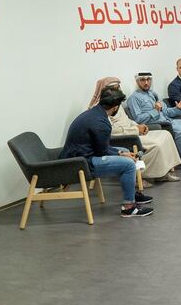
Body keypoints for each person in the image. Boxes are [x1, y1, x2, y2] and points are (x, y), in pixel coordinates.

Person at [60, 87, 154, 217]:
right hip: (82, 163)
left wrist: (121, 153)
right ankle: (129, 207)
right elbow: (102, 152)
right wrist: (121, 155)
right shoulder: (102, 123)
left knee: (125, 150)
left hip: (79, 156)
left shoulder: (93, 113)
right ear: (115, 107)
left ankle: (131, 194)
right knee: (128, 165)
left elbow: (99, 147)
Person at [88, 77, 181, 184]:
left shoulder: (115, 102)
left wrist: (139, 125)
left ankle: (163, 173)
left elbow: (127, 120)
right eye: (116, 88)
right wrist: (136, 130)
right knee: (156, 145)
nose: (119, 90)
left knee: (165, 134)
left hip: (133, 131)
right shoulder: (101, 108)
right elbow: (111, 131)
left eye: (119, 87)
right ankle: (139, 176)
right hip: (124, 138)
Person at [127, 72, 181, 165]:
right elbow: (138, 119)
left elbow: (166, 111)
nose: (146, 82)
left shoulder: (153, 94)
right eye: (142, 80)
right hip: (158, 124)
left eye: (148, 80)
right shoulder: (134, 98)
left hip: (169, 120)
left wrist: (179, 108)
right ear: (137, 82)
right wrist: (155, 110)